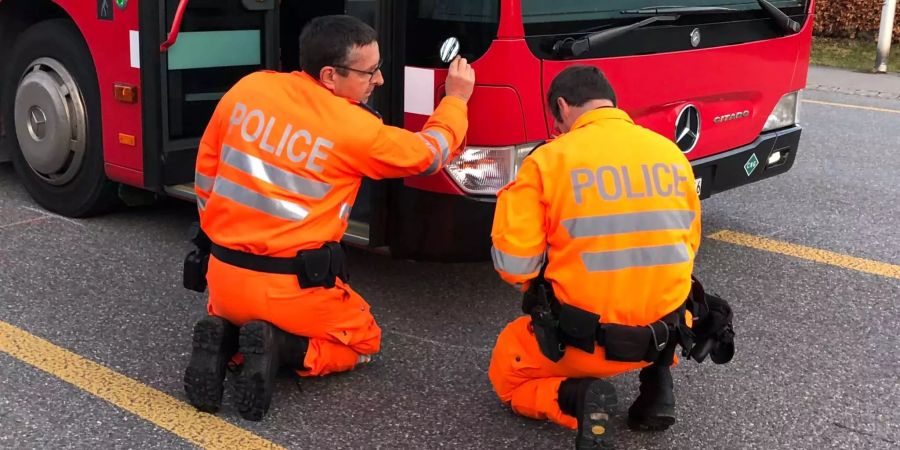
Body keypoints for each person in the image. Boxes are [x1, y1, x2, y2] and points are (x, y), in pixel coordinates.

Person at [182, 15, 475, 421]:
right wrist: (456, 99)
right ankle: (285, 349)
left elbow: (206, 171)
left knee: (240, 311)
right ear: (329, 76)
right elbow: (430, 154)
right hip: (290, 289)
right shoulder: (354, 129)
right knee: (364, 342)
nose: (380, 81)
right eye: (369, 72)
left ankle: (227, 339)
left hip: (223, 277)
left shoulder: (248, 89)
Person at [486, 65, 729, 449]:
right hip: (662, 335)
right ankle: (657, 388)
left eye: (557, 120)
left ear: (562, 108)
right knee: (668, 287)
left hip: (583, 343)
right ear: (611, 103)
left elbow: (514, 266)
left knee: (507, 371)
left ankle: (577, 397)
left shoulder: (549, 160)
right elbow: (688, 246)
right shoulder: (670, 154)